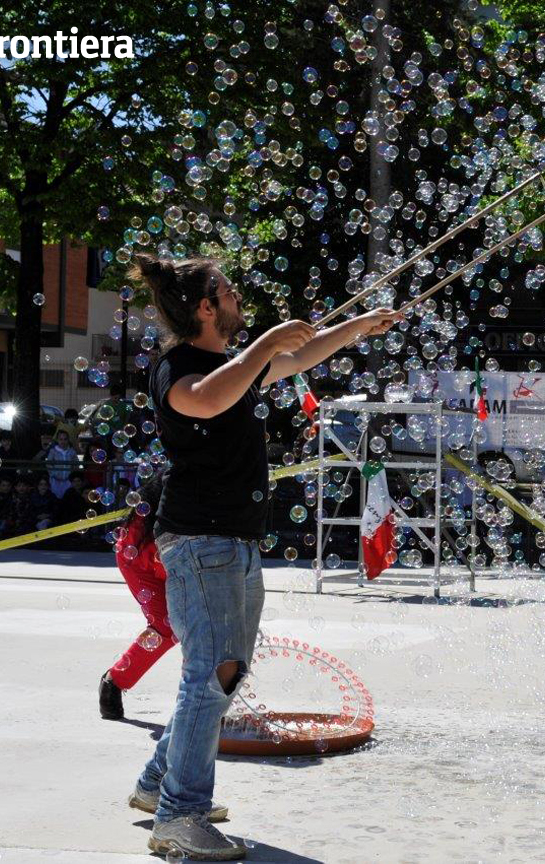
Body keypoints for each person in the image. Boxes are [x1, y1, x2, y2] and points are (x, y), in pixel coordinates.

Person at [125, 252, 400, 860]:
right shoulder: (180, 366)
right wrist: (266, 344)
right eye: (227, 292)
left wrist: (358, 326)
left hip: (230, 540)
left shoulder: (232, 365)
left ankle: (156, 784)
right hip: (201, 540)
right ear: (205, 307)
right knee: (212, 674)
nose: (238, 299)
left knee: (222, 674)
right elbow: (204, 401)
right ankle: (179, 815)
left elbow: (299, 356)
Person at [100, 475, 180, 723]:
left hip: (167, 557)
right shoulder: (168, 489)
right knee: (165, 627)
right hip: (138, 559)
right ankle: (114, 681)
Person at [46, 430, 78, 498]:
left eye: (65, 439)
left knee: (67, 498)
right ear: (57, 440)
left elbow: (76, 464)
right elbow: (48, 464)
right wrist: (54, 474)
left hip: (68, 481)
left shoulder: (72, 452)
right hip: (55, 481)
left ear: (68, 440)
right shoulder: (53, 451)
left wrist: (72, 475)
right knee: (55, 498)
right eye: (61, 439)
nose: (63, 441)